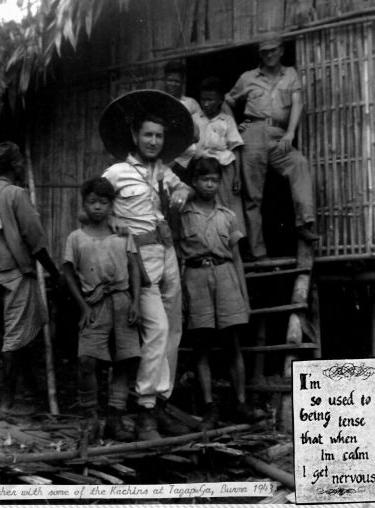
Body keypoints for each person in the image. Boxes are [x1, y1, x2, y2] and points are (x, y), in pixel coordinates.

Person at [100, 90, 194, 440]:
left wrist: (181, 192)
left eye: (159, 136)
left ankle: (161, 404)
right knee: (156, 331)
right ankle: (145, 412)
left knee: (173, 330)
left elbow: (182, 189)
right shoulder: (116, 172)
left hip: (166, 253)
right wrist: (113, 223)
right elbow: (93, 207)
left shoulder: (162, 170)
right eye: (148, 135)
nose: (154, 142)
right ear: (135, 136)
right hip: (139, 260)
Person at [0, 141, 60, 415]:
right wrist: (54, 272)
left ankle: (32, 389)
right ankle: (7, 402)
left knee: (19, 332)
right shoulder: (15, 194)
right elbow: (35, 240)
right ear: (13, 165)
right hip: (15, 274)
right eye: (20, 161)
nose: (22, 165)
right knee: (14, 337)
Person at [179, 157, 263, 429]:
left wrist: (244, 297)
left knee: (233, 343)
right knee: (201, 345)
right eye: (205, 180)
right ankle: (209, 407)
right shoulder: (183, 215)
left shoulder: (228, 216)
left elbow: (236, 258)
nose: (210, 185)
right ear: (194, 182)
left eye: (215, 180)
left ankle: (241, 403)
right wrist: (181, 295)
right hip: (196, 279)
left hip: (226, 277)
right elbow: (178, 257)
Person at [223, 34, 318, 260]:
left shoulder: (291, 74)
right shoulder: (248, 77)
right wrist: (235, 129)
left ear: (281, 50)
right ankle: (258, 252)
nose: (269, 55)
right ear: (260, 54)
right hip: (253, 134)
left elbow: (297, 103)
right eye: (265, 52)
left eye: (273, 50)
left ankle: (304, 223)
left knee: (299, 163)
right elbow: (227, 101)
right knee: (253, 196)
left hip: (278, 135)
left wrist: (291, 132)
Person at [62, 177, 141, 441]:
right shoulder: (76, 238)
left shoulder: (122, 234)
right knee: (87, 360)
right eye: (92, 202)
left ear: (111, 205)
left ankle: (115, 419)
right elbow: (68, 272)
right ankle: (90, 419)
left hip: (122, 301)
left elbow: (134, 268)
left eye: (104, 202)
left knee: (125, 360)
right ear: (84, 204)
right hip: (94, 304)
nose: (98, 207)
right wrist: (83, 307)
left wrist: (136, 302)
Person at [195, 76, 246, 234]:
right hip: (202, 170)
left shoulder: (227, 120)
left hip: (224, 171)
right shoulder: (195, 119)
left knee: (228, 208)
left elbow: (235, 148)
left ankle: (233, 241)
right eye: (203, 99)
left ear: (220, 101)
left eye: (210, 100)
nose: (206, 104)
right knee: (205, 209)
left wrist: (237, 176)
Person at [164, 60, 202, 183]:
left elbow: (196, 135)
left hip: (183, 154)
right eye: (169, 80)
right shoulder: (159, 100)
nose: (173, 84)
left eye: (176, 81)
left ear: (182, 83)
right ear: (165, 80)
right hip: (162, 149)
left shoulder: (191, 103)